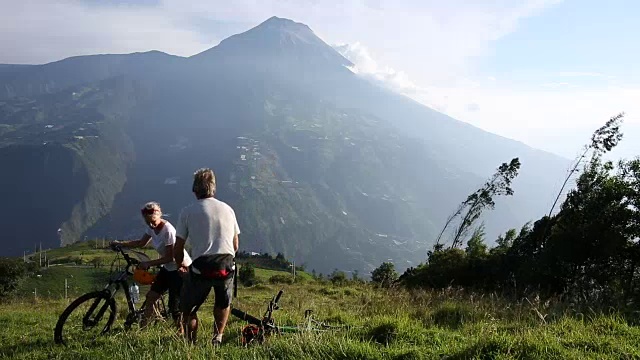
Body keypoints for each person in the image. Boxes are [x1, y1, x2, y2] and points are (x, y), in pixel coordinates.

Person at [174, 168, 240, 346]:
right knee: (223, 302)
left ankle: (191, 344)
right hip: (227, 265)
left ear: (195, 190)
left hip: (201, 267)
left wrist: (181, 265)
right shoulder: (228, 209)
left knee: (188, 309)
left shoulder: (187, 212)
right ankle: (217, 336)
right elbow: (235, 245)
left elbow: (178, 246)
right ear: (214, 188)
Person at [110, 201, 192, 330]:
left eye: (153, 221)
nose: (151, 224)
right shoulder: (151, 227)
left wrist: (148, 263)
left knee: (174, 305)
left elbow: (170, 257)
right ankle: (143, 329)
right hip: (167, 268)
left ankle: (181, 332)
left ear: (160, 215)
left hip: (179, 268)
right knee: (151, 297)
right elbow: (141, 243)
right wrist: (121, 244)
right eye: (148, 222)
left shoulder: (168, 231)